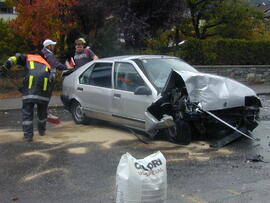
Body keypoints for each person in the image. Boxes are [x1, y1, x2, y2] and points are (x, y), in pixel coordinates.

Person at [0, 52, 54, 142]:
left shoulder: (28, 57)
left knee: (27, 112)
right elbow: (52, 80)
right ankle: (42, 131)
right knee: (42, 112)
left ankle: (28, 136)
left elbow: (15, 58)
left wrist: (5, 66)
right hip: (44, 90)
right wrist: (47, 98)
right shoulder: (46, 64)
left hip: (29, 88)